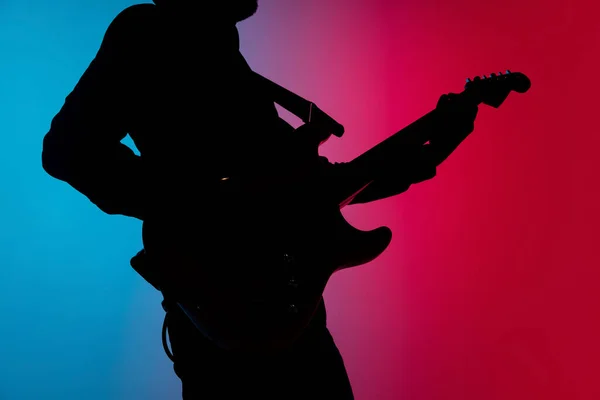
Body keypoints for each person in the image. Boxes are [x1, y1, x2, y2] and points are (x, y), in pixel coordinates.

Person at [41, 1, 478, 398]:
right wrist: (214, 199)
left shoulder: (226, 59)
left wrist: (436, 144)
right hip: (227, 309)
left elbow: (311, 190)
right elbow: (68, 150)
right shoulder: (147, 33)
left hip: (289, 313)